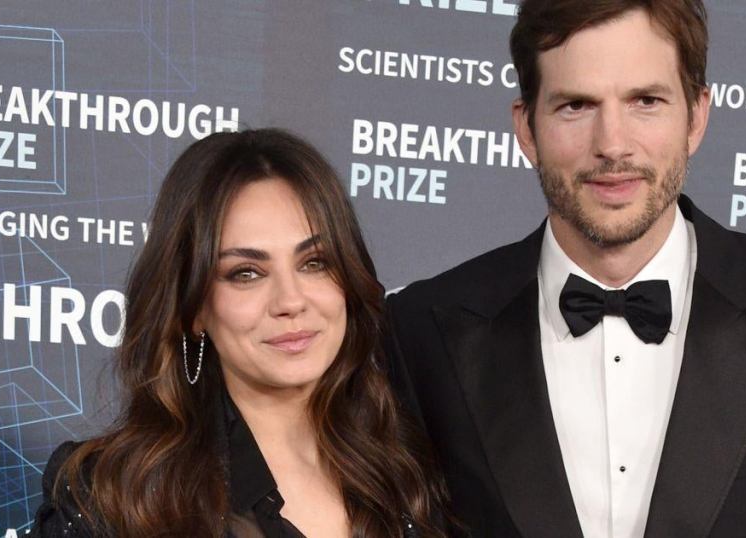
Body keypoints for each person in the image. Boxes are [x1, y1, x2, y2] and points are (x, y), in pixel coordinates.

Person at [384, 1, 746, 537]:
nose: (613, 145)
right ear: (527, 128)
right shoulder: (420, 331)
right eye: (576, 106)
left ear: (696, 116)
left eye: (646, 101)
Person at [31, 129, 447, 537]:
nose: (290, 300)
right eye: (246, 273)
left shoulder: (408, 472)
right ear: (192, 309)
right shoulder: (113, 493)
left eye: (315, 262)